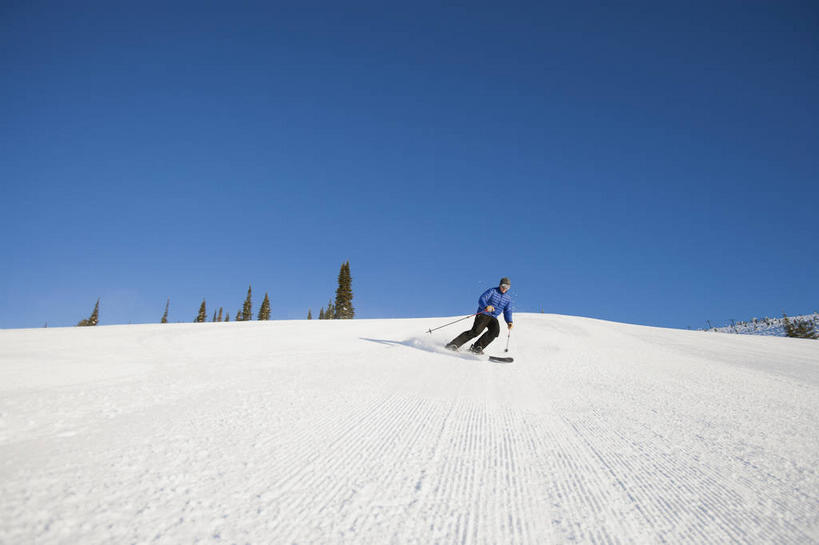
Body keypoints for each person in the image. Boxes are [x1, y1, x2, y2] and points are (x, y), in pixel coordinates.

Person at [446, 278, 513, 354]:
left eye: (507, 287)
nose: (505, 288)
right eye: (504, 286)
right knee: (476, 331)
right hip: (483, 313)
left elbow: (507, 311)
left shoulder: (508, 299)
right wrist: (486, 306)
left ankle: (477, 347)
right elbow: (482, 299)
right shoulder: (492, 291)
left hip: (493, 317)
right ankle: (453, 344)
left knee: (494, 332)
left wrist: (509, 321)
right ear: (500, 285)